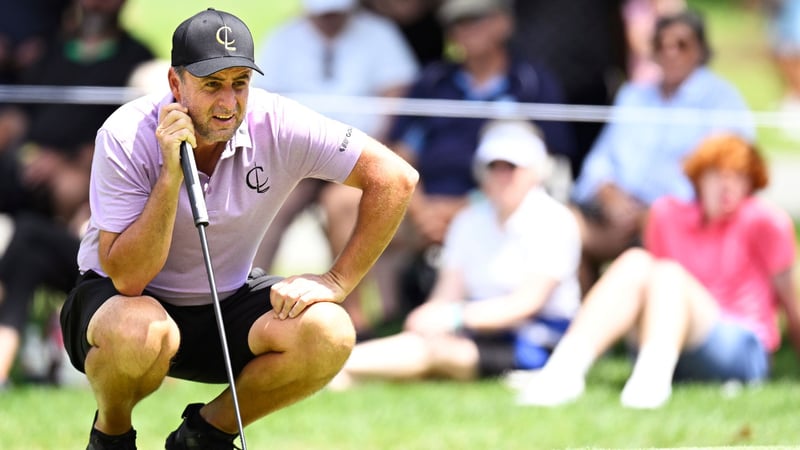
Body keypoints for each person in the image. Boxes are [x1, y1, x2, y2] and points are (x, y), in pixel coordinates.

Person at [59, 8, 417, 450]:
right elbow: (129, 278)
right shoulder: (125, 133)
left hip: (223, 298)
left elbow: (395, 178)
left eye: (240, 83)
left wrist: (336, 281)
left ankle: (204, 437)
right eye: (211, 85)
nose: (228, 103)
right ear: (176, 84)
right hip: (120, 301)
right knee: (142, 330)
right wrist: (171, 177)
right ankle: (110, 435)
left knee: (330, 331)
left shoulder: (279, 121)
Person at [321, 0, 577, 322]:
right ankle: (354, 323)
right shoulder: (433, 81)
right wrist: (419, 206)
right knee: (342, 200)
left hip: (496, 205)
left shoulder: (532, 82)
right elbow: (402, 150)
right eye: (457, 24)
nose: (465, 31)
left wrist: (466, 206)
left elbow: (546, 164)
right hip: (422, 205)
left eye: (476, 20)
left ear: (504, 23)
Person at [517, 133, 800, 409]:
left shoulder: (766, 220)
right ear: (699, 177)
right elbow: (647, 288)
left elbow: (793, 300)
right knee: (635, 262)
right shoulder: (666, 214)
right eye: (718, 174)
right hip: (667, 337)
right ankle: (564, 371)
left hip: (740, 346)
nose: (728, 185)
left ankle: (650, 384)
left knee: (667, 273)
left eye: (739, 176)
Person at [328, 120, 581, 389]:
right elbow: (448, 291)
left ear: (535, 172)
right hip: (478, 330)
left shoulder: (556, 221)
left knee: (434, 352)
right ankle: (335, 371)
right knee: (426, 343)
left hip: (537, 340)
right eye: (494, 166)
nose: (502, 176)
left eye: (512, 167)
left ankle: (332, 369)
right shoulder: (470, 220)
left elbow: (526, 304)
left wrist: (453, 317)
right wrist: (432, 314)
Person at [251, 0, 419, 337]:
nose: (329, 18)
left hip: (359, 153)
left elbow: (397, 100)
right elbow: (260, 106)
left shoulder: (379, 35)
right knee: (265, 204)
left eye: (335, 11)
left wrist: (374, 150)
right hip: (295, 157)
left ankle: (353, 317)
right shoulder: (284, 39)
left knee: (344, 205)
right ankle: (244, 304)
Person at [570, 9, 756, 293]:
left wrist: (652, 212)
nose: (671, 53)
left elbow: (725, 176)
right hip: (615, 216)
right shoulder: (633, 95)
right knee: (560, 227)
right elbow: (601, 158)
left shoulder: (723, 100)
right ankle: (580, 318)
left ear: (701, 50)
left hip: (680, 221)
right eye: (662, 45)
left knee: (656, 226)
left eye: (681, 45)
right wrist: (608, 194)